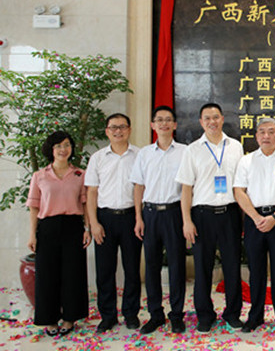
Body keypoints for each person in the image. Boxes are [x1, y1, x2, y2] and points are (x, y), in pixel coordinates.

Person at [175, 103, 244, 333]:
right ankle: (205, 315)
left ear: (222, 119)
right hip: (202, 215)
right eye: (207, 118)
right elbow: (186, 189)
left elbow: (241, 184)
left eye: (215, 117)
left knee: (232, 266)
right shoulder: (192, 150)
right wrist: (187, 221)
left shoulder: (235, 146)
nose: (212, 122)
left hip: (230, 213)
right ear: (201, 122)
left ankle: (233, 314)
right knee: (203, 268)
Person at [234, 117, 275, 333]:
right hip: (253, 220)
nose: (266, 136)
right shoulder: (246, 161)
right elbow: (239, 191)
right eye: (262, 132)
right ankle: (255, 317)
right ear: (256, 136)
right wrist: (255, 217)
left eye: (271, 132)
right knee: (256, 271)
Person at [27, 131, 91, 337]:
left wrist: (87, 229)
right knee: (47, 275)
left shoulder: (80, 174)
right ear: (51, 150)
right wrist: (32, 234)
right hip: (47, 227)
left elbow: (86, 204)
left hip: (73, 227)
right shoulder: (39, 176)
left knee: (73, 274)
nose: (63, 149)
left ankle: (70, 317)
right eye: (58, 146)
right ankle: (50, 319)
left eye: (67, 145)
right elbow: (34, 207)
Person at [130, 106, 187, 334]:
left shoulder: (185, 152)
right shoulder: (144, 154)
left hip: (174, 213)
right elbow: (138, 186)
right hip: (150, 214)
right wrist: (138, 217)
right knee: (151, 266)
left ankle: (176, 315)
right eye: (159, 120)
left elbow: (188, 188)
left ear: (175, 125)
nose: (164, 124)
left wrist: (186, 219)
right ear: (152, 125)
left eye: (168, 120)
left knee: (177, 266)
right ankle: (156, 314)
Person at [86, 113, 142, 333]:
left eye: (122, 127)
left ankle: (131, 313)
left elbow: (141, 188)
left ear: (129, 129)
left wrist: (139, 218)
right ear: (107, 131)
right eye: (113, 127)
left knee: (132, 269)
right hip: (105, 219)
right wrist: (93, 223)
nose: (118, 131)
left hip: (131, 217)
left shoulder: (139, 155)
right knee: (105, 271)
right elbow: (91, 192)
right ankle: (107, 316)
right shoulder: (97, 158)